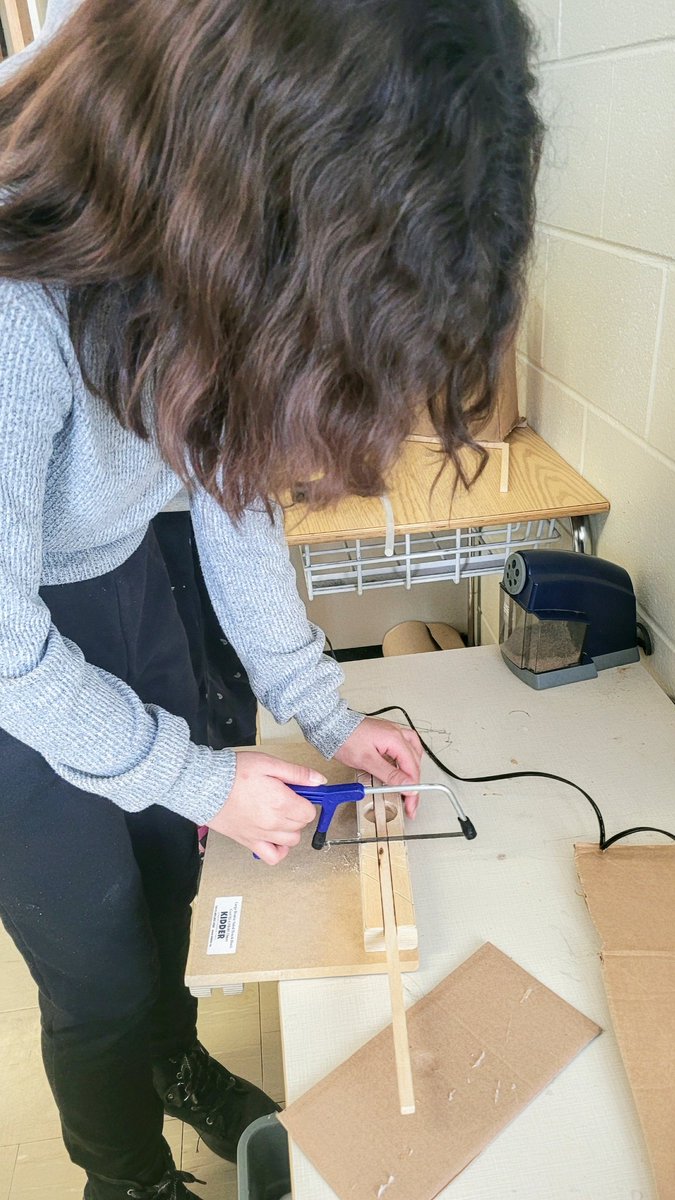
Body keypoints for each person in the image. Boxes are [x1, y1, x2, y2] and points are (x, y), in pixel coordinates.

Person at [0, 1, 542, 1197]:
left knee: (171, 886)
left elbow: (228, 472)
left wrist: (323, 707)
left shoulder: (199, 242)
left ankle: (175, 1062)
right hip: (11, 652)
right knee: (94, 965)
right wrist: (201, 778)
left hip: (115, 573)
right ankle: (123, 1171)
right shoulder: (16, 296)